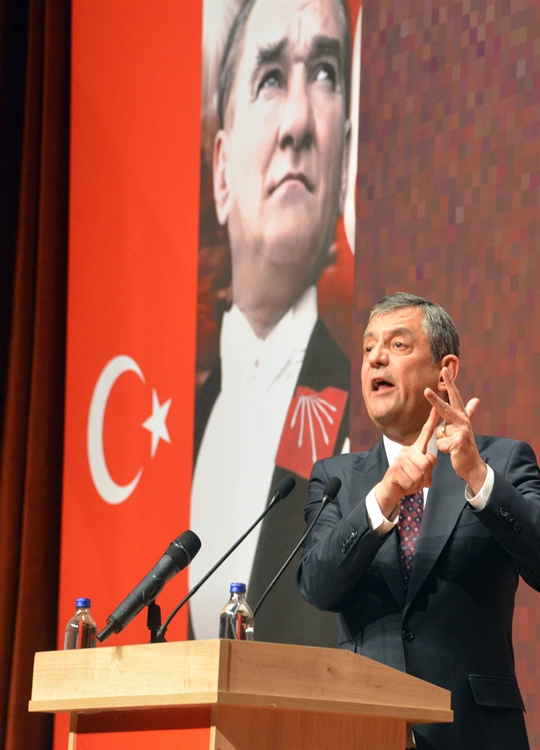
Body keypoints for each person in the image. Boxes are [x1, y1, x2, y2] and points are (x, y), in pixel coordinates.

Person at [297, 293, 540, 750]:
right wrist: (384, 496)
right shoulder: (336, 479)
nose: (376, 358)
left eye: (397, 345)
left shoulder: (503, 460)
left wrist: (478, 478)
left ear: (445, 371)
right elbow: (318, 586)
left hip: (476, 741)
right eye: (367, 349)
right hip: (366, 740)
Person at [190, 0, 353, 646]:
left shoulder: (368, 416)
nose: (298, 123)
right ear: (220, 173)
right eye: (270, 79)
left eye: (325, 74)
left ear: (345, 155)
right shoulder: (192, 418)